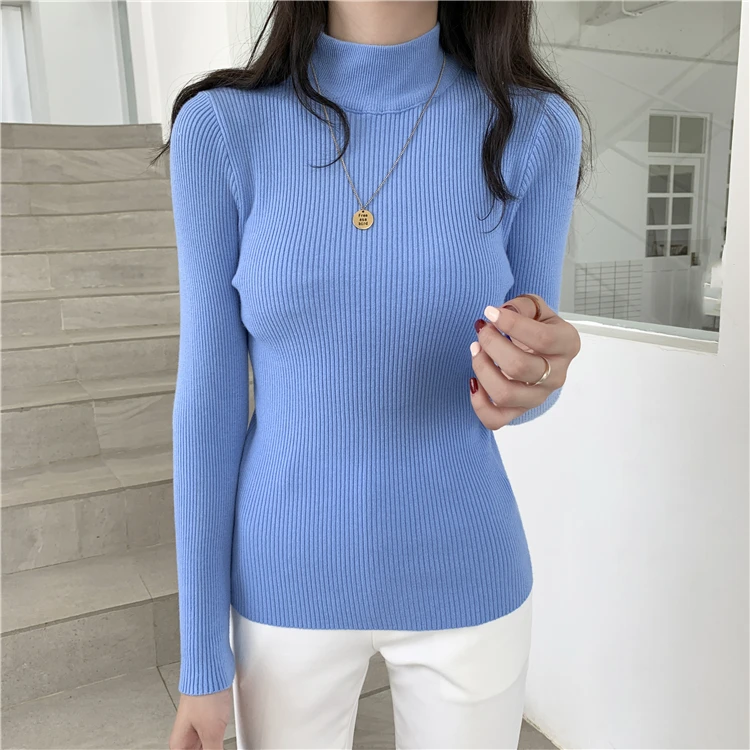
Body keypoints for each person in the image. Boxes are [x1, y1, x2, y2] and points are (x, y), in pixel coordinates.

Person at [160, 1, 586, 748]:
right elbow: (208, 408)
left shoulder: (534, 128)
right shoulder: (222, 129)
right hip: (286, 577)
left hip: (467, 571)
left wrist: (536, 374)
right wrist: (201, 659)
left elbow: (523, 378)